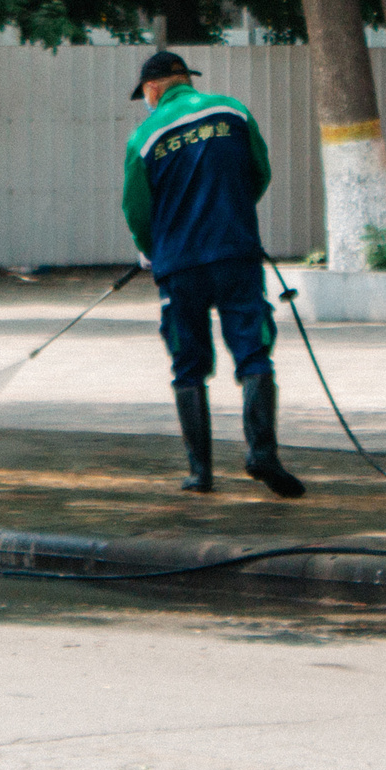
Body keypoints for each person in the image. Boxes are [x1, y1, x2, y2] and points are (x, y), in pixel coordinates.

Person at [121, 49, 302, 498]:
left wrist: (150, 250)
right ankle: (262, 453)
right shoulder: (233, 110)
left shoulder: (143, 137)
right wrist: (231, 215)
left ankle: (200, 473)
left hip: (178, 267)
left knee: (188, 363)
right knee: (253, 352)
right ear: (187, 79)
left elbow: (136, 210)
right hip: (235, 254)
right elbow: (259, 173)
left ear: (153, 88)